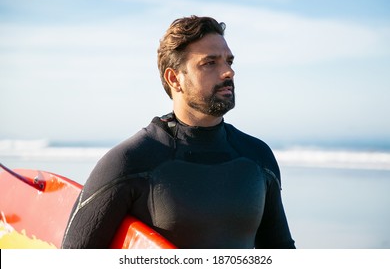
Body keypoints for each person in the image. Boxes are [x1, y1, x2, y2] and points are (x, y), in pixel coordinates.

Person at [61, 15, 295, 249]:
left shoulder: (257, 156)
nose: (228, 73)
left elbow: (280, 249)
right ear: (174, 79)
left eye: (229, 62)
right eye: (210, 63)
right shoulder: (130, 162)